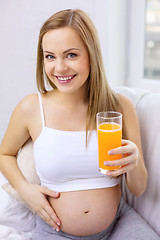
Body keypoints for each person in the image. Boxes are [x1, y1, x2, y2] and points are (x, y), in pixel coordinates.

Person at [0, 9, 159, 240]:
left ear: (91, 55)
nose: (60, 68)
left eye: (71, 55)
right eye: (50, 56)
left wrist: (134, 162)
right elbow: (5, 154)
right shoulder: (31, 108)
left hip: (119, 223)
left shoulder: (120, 106)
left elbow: (138, 188)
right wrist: (26, 191)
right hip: (56, 231)